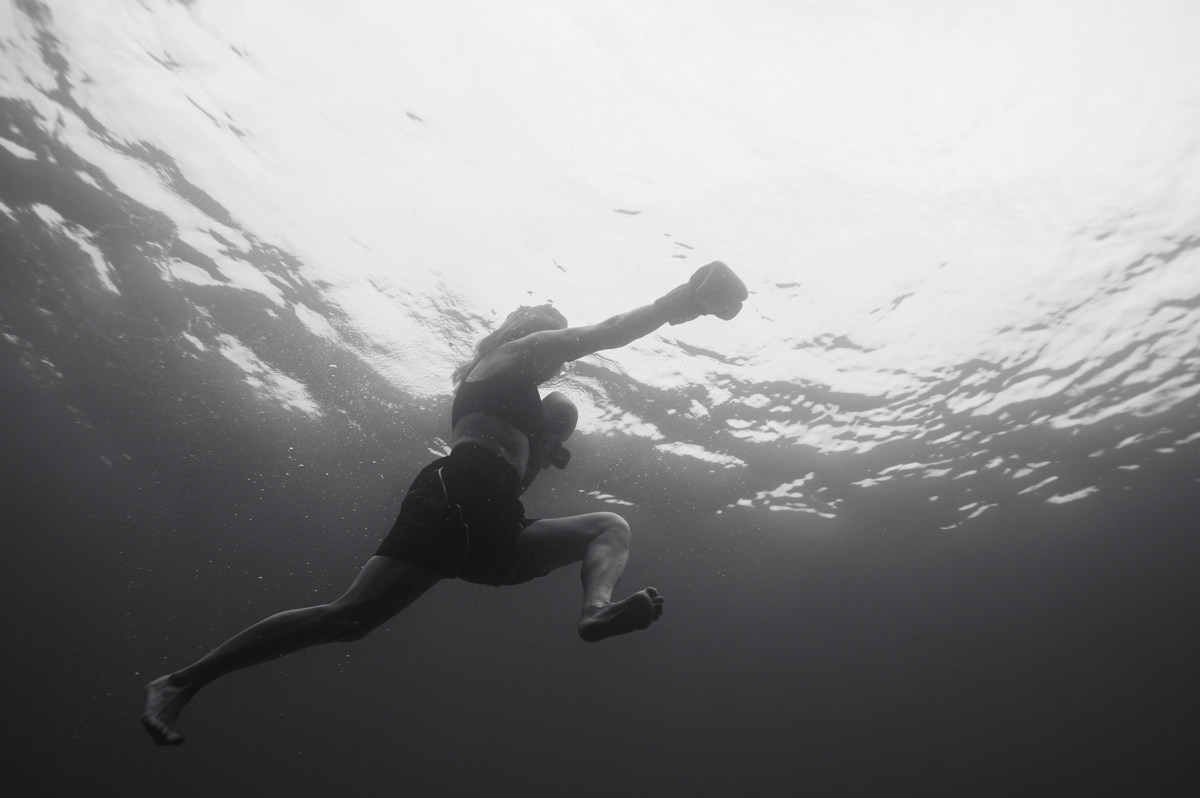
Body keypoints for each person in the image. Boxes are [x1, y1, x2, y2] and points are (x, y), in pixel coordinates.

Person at [141, 261, 748, 746]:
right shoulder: (512, 355)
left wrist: (547, 443)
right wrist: (683, 302)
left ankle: (595, 612)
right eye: (549, 322)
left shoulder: (526, 392)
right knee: (347, 618)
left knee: (607, 525)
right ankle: (181, 681)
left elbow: (517, 482)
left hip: (496, 520)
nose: (559, 335)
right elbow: (603, 334)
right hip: (458, 491)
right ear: (524, 328)